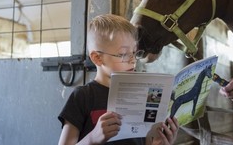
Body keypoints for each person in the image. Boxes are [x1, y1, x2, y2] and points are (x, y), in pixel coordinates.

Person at [58, 14, 179, 145]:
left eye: (134, 53)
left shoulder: (143, 94)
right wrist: (93, 138)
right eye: (123, 54)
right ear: (97, 58)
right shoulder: (82, 97)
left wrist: (161, 142)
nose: (133, 60)